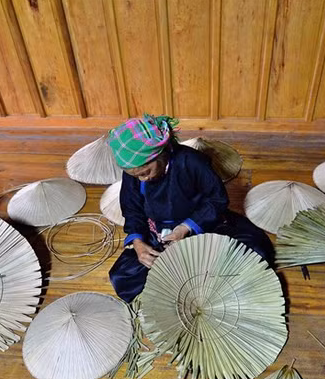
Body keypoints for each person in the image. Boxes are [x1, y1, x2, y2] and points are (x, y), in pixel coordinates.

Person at [107, 114, 273, 302]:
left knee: (257, 252)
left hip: (201, 224)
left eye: (145, 173)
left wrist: (185, 228)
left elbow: (217, 200)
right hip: (160, 234)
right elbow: (132, 209)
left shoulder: (192, 161)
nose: (142, 179)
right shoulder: (134, 170)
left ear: (162, 153)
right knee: (121, 277)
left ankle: (200, 277)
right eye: (136, 176)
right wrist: (138, 244)